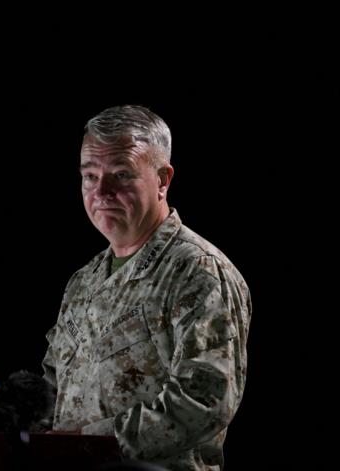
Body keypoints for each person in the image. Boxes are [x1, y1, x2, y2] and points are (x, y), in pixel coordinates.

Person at [42, 105, 251, 471]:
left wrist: (91, 447)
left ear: (163, 179)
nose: (101, 191)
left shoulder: (196, 270)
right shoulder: (84, 281)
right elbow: (51, 386)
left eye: (121, 175)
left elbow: (205, 400)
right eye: (90, 176)